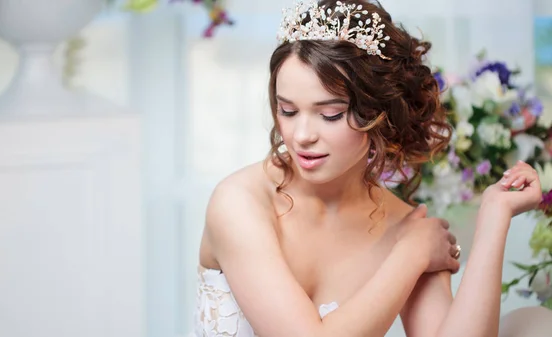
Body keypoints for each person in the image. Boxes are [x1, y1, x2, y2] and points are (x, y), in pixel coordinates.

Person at [190, 0, 546, 336]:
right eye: (288, 110)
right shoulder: (240, 202)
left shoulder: (406, 225)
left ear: (379, 115)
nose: (301, 136)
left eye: (329, 114)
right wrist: (410, 256)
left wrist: (494, 217)